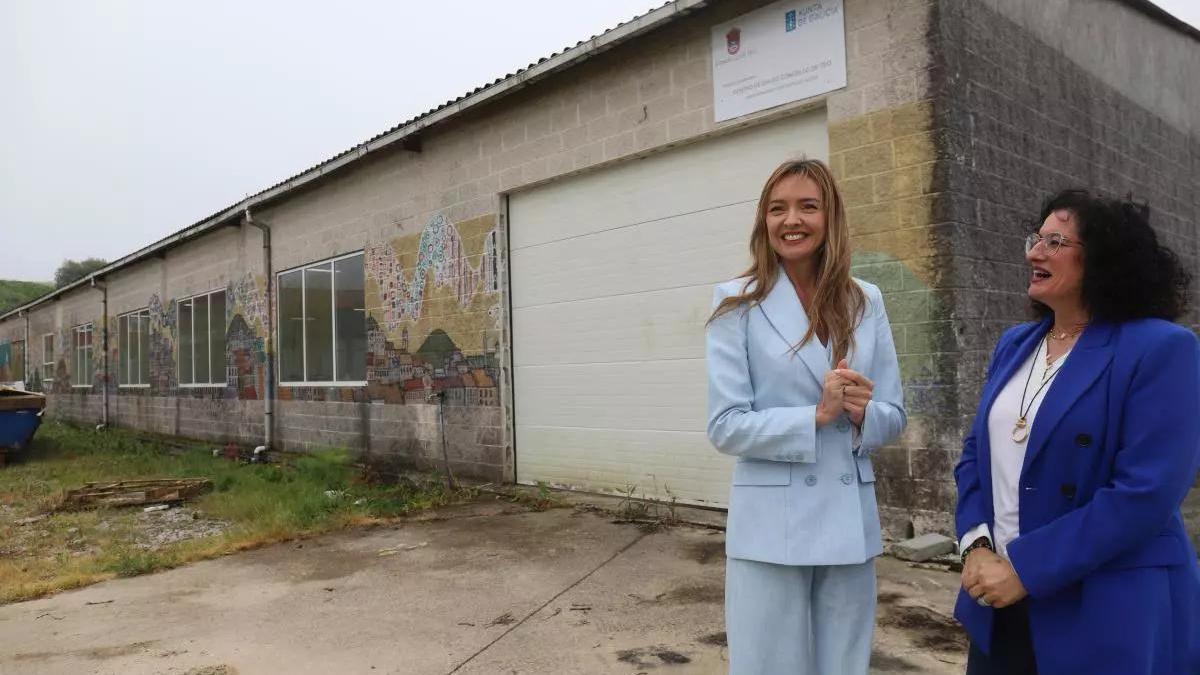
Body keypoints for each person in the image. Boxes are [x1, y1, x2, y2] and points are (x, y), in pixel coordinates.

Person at [954, 189, 1200, 675]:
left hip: (1105, 606)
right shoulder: (1014, 344)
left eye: (1054, 241)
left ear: (1104, 259)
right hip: (998, 599)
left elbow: (1145, 494)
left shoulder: (1162, 348)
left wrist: (1025, 569)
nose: (1033, 252)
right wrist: (977, 548)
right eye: (1035, 238)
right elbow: (973, 456)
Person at [705, 158, 906, 674]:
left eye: (807, 207)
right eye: (778, 209)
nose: (791, 220)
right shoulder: (736, 302)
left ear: (830, 217)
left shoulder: (867, 300)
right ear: (763, 221)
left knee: (843, 665)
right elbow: (725, 425)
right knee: (769, 665)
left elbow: (895, 414)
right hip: (771, 524)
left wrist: (864, 415)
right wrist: (815, 416)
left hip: (848, 518)